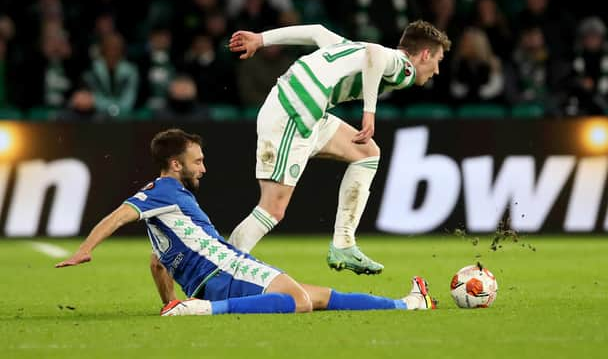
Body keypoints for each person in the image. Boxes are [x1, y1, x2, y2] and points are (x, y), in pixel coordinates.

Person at [55, 129, 436, 316]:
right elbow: (119, 214)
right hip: (225, 267)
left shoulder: (166, 213)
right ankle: (202, 312)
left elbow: (158, 262)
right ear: (176, 165)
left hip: (209, 281)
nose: (203, 167)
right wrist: (85, 250)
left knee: (318, 295)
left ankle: (408, 305)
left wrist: (170, 301)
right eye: (197, 161)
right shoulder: (163, 192)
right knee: (299, 301)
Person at [227, 20, 451, 274]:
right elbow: (375, 54)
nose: (437, 71)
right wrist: (369, 113)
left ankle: (344, 243)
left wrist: (260, 38)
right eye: (438, 60)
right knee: (272, 209)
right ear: (424, 54)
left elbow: (317, 32)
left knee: (367, 153)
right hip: (295, 109)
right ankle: (220, 270)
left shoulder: (351, 48)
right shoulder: (403, 67)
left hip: (303, 107)